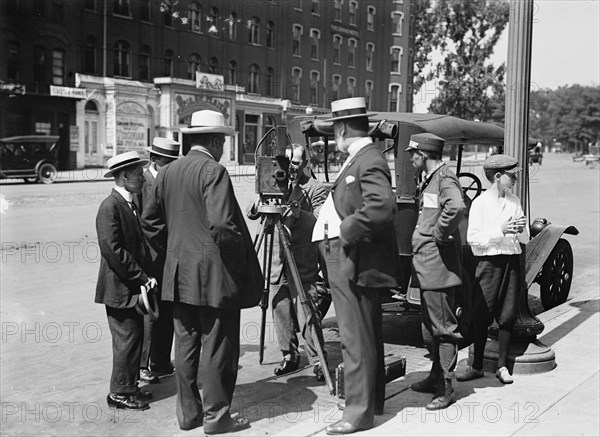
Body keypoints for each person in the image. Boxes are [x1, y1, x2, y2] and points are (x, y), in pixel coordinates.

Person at [142, 110, 262, 434]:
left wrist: (174, 253)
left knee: (186, 345)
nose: (223, 148)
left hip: (178, 275)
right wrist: (235, 261)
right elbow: (223, 224)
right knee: (217, 345)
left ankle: (189, 416)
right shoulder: (214, 170)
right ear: (214, 140)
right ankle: (217, 417)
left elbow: (150, 224)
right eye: (222, 142)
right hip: (213, 276)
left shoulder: (166, 173)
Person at [312, 97, 399, 435]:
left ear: (343, 128)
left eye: (335, 129)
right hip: (352, 259)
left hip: (353, 259)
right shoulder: (362, 158)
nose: (335, 135)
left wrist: (345, 231)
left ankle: (358, 412)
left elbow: (382, 207)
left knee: (354, 338)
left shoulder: (367, 159)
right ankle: (370, 402)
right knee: (365, 335)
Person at [247, 143, 328, 380]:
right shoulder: (274, 177)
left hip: (300, 260)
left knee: (306, 312)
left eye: (295, 163)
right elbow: (254, 211)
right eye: (288, 163)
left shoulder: (314, 188)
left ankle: (318, 359)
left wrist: (297, 213)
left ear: (305, 163)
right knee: (279, 307)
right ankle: (289, 355)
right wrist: (257, 206)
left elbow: (319, 220)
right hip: (276, 259)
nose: (290, 169)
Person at [457, 154, 529, 385]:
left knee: (507, 316)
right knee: (481, 315)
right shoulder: (480, 203)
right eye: (511, 175)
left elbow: (525, 236)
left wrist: (517, 230)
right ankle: (476, 366)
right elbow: (474, 240)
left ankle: (502, 367)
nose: (515, 179)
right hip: (488, 265)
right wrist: (502, 230)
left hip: (511, 262)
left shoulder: (514, 201)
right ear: (497, 177)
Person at [407, 133, 466, 411]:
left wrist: (439, 234)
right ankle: (434, 377)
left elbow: (456, 206)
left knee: (444, 329)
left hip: (438, 268)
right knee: (431, 326)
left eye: (413, 154)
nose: (410, 158)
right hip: (428, 266)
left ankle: (446, 387)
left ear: (424, 154)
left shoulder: (444, 178)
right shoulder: (432, 178)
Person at [95, 151, 156, 411]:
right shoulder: (110, 207)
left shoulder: (128, 203)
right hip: (119, 288)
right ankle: (119, 393)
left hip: (130, 287)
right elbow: (113, 250)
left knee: (133, 338)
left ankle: (129, 387)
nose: (142, 178)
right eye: (138, 174)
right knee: (126, 340)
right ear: (124, 176)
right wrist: (141, 277)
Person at [137, 137, 179, 384]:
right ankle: (143, 364)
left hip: (169, 257)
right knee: (148, 312)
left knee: (167, 310)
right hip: (150, 258)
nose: (171, 166)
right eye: (167, 162)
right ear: (155, 160)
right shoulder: (142, 182)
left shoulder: (171, 179)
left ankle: (161, 361)